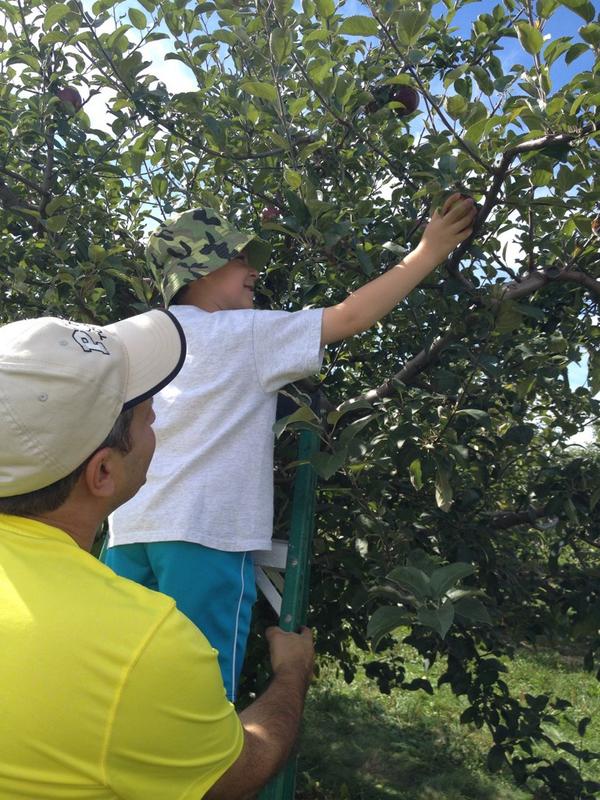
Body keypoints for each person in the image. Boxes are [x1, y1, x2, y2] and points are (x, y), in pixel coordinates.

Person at [105, 194, 476, 700]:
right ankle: (203, 779)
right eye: (237, 259)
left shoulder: (130, 336)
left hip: (126, 532)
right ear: (199, 272)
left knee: (120, 677)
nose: (252, 268)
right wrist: (426, 253)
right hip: (207, 534)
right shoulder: (245, 333)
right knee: (197, 695)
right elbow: (349, 317)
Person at [0, 310, 315, 800]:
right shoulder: (143, 646)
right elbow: (233, 777)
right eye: (148, 417)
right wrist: (292, 672)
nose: (157, 425)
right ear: (102, 473)